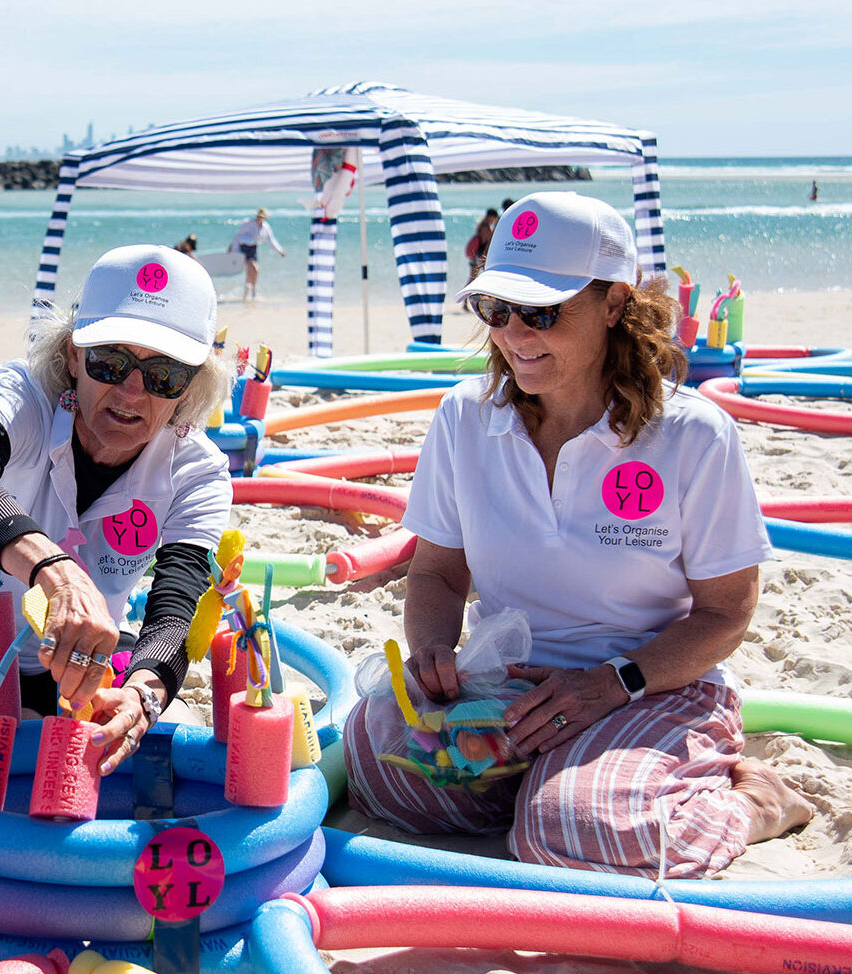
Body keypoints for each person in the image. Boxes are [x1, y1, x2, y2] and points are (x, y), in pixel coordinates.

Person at [343, 192, 812, 879]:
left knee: (573, 835)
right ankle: (560, 787)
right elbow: (438, 573)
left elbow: (726, 611)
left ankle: (754, 801)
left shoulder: (690, 435)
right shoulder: (465, 419)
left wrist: (610, 686)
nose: (513, 335)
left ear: (615, 304)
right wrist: (435, 653)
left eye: (540, 313)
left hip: (651, 680)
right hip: (513, 686)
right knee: (376, 755)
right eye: (496, 310)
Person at [0, 244, 231, 775]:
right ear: (73, 355)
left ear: (192, 387)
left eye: (163, 376)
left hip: (81, 663)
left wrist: (144, 698)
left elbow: (174, 614)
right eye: (110, 361)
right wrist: (54, 569)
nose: (131, 391)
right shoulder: (25, 398)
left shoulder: (198, 471)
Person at [228, 207, 285, 301]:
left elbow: (271, 240)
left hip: (253, 249)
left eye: (262, 217)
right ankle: (251, 292)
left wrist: (280, 250)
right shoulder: (248, 223)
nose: (259, 218)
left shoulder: (266, 227)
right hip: (244, 248)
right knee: (254, 269)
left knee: (252, 272)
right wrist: (234, 250)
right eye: (258, 216)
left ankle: (248, 293)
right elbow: (237, 236)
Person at [464, 207, 499, 279]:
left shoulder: (482, 225)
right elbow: (487, 242)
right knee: (474, 279)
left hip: (476, 255)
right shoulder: (485, 228)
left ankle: (468, 290)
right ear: (490, 217)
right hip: (479, 256)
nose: (494, 220)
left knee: (473, 278)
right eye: (494, 218)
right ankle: (467, 290)